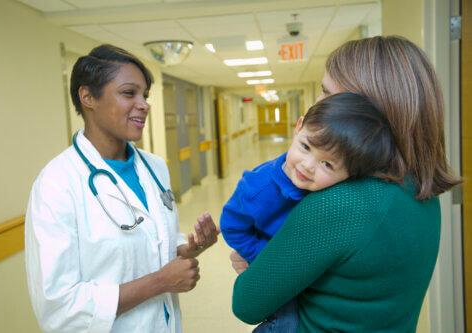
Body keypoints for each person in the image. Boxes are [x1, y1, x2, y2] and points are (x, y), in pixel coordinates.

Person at [230, 36, 460, 332]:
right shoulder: (418, 189)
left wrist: (260, 267)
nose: (318, 105)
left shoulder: (339, 203)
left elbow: (247, 303)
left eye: (328, 95)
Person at [24, 44, 219, 333]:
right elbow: (59, 307)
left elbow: (152, 242)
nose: (144, 104)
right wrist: (160, 282)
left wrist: (188, 248)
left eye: (145, 95)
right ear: (87, 97)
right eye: (129, 93)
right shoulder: (57, 184)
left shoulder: (154, 167)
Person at [221, 92, 397, 332]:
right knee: (286, 320)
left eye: (328, 164)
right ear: (298, 126)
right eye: (305, 147)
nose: (307, 166)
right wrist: (259, 253)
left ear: (350, 175)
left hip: (301, 269)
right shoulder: (258, 189)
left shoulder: (339, 194)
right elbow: (230, 225)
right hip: (276, 267)